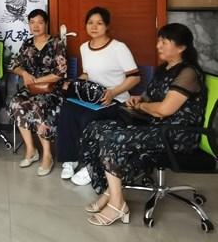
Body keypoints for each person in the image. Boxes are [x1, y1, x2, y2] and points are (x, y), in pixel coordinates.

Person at [80, 23, 207, 226]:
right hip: (155, 126)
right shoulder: (164, 69)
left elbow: (164, 109)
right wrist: (139, 99)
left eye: (164, 42)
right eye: (159, 41)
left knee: (112, 138)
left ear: (182, 47)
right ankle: (110, 190)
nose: (158, 46)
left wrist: (141, 106)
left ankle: (117, 205)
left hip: (176, 134)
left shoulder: (188, 73)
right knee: (96, 128)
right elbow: (150, 97)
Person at [57, 7, 140, 184]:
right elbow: (88, 74)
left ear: (107, 26)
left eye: (99, 23)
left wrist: (113, 92)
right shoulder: (84, 47)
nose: (94, 27)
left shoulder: (119, 48)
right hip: (92, 97)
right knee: (67, 111)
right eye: (90, 23)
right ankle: (70, 159)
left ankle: (91, 165)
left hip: (116, 99)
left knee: (88, 117)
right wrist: (74, 83)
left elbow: (135, 77)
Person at [7, 9, 67, 176]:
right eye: (32, 22)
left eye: (40, 22)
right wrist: (25, 74)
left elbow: (60, 73)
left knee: (37, 105)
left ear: (46, 24)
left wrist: (38, 80)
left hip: (53, 90)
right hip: (32, 89)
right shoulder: (27, 44)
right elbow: (14, 66)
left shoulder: (56, 44)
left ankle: (47, 154)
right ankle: (31, 149)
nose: (36, 26)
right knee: (16, 103)